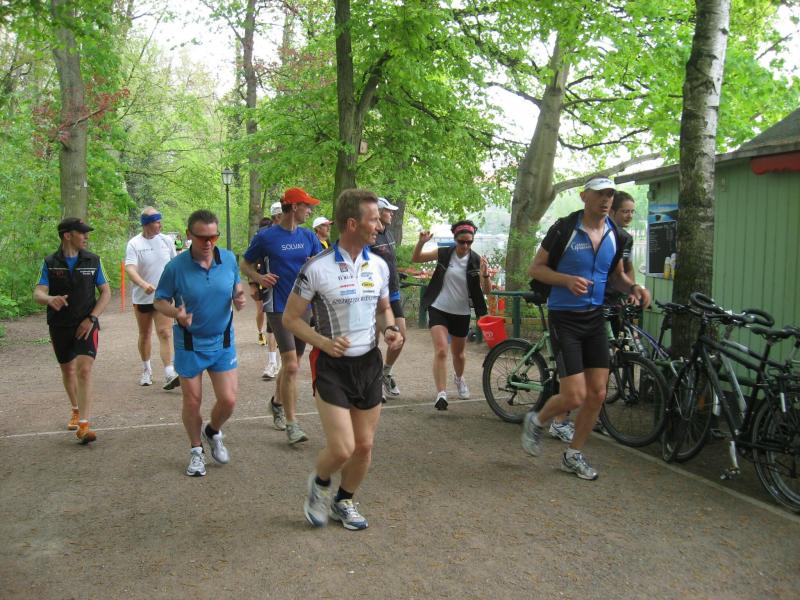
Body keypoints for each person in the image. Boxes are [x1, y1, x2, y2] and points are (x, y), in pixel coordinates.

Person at [284, 188, 403, 530]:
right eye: (374, 220)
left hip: (368, 364)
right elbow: (291, 319)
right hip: (332, 366)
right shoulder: (316, 268)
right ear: (352, 223)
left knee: (364, 447)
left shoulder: (379, 265)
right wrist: (323, 341)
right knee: (342, 448)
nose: (379, 226)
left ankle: (344, 501)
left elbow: (383, 309)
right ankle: (320, 483)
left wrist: (390, 329)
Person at [522, 176, 651, 480]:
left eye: (610, 194)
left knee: (598, 393)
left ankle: (573, 454)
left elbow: (616, 276)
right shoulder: (565, 228)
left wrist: (634, 287)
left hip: (595, 317)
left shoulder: (615, 234)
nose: (606, 200)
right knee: (574, 396)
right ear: (584, 196)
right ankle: (537, 421)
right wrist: (566, 280)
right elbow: (536, 269)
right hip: (564, 317)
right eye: (600, 194)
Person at [154, 209, 246, 477]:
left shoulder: (228, 259)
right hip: (190, 343)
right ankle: (196, 450)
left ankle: (212, 431)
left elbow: (236, 286)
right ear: (189, 235)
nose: (209, 243)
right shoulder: (175, 268)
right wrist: (176, 313)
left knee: (228, 400)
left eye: (214, 237)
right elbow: (159, 301)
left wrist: (239, 297)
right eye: (202, 237)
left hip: (222, 339)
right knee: (193, 400)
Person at [240, 187, 323, 443]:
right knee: (292, 364)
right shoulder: (266, 237)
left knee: (291, 364)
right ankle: (292, 424)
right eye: (307, 206)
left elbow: (322, 264)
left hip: (303, 306)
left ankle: (276, 403)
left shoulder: (308, 236)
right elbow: (244, 263)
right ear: (294, 206)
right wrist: (258, 277)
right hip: (277, 305)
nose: (310, 211)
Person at [33, 217, 111, 444]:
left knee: (84, 370)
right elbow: (38, 293)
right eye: (82, 233)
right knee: (68, 371)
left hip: (87, 324)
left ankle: (84, 426)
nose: (86, 236)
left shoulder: (93, 260)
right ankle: (75, 409)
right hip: (59, 325)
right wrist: (49, 299)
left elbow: (106, 292)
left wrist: (92, 318)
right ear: (67, 235)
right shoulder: (50, 262)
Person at [412, 220, 491, 410]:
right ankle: (441, 393)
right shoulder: (444, 253)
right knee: (441, 350)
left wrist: (485, 275)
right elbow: (417, 258)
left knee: (459, 355)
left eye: (469, 242)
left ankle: (459, 378)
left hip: (461, 312)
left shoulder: (476, 260)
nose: (465, 245)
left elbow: (487, 291)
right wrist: (421, 242)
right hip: (438, 308)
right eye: (462, 241)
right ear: (455, 239)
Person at [124, 207, 179, 390]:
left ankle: (169, 372)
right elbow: (130, 268)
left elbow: (174, 264)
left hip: (163, 296)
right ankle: (146, 370)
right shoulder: (134, 244)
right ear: (147, 224)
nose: (160, 225)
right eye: (157, 222)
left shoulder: (166, 240)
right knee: (145, 333)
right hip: (142, 297)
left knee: (165, 332)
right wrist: (143, 284)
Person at [369, 197, 406, 398]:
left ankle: (386, 372)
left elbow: (389, 262)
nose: (392, 213)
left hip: (393, 293)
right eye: (388, 211)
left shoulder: (389, 233)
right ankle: (373, 381)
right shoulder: (371, 236)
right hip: (375, 296)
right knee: (373, 341)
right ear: (379, 212)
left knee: (401, 336)